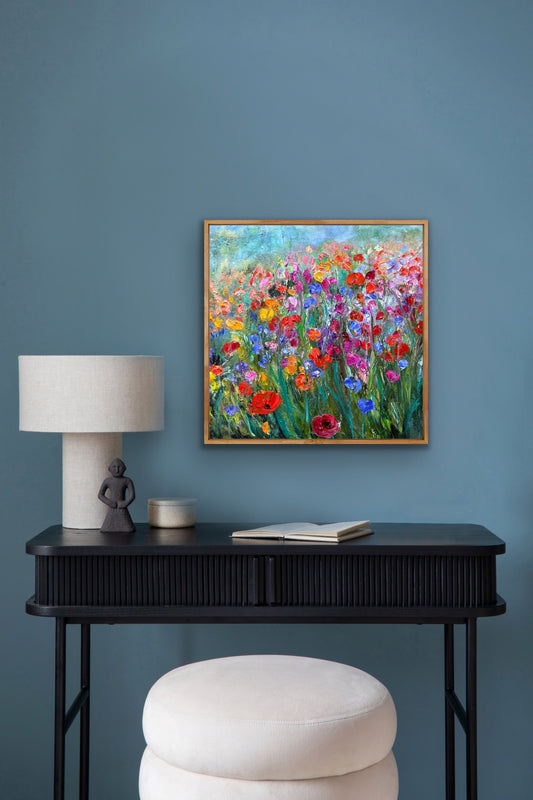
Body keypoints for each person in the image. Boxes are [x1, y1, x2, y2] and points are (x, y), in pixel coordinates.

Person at [98, 458, 136, 533]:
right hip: (113, 506)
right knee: (108, 526)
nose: (117, 470)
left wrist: (125, 503)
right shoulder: (107, 481)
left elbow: (132, 496)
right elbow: (100, 495)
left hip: (122, 507)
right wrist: (110, 502)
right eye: (114, 467)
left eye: (119, 467)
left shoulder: (127, 480)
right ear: (109, 469)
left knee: (126, 526)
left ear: (124, 469)